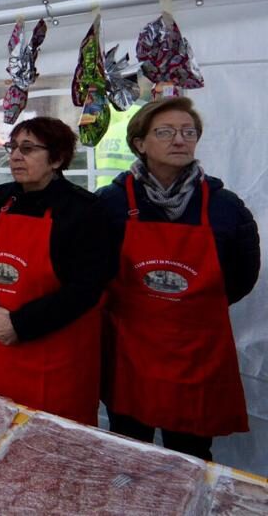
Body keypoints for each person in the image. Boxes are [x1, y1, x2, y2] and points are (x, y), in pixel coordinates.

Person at [97, 97, 260, 460]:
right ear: (139, 143)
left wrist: (188, 309)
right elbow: (94, 269)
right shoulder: (110, 203)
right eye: (166, 132)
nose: (180, 140)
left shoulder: (225, 206)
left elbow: (242, 276)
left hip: (196, 352)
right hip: (130, 349)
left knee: (190, 456)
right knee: (127, 450)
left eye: (189, 132)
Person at [0, 116, 115, 425]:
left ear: (57, 158)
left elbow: (86, 289)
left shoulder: (84, 210)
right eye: (13, 147)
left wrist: (19, 323)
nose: (16, 156)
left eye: (28, 148)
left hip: (55, 355)